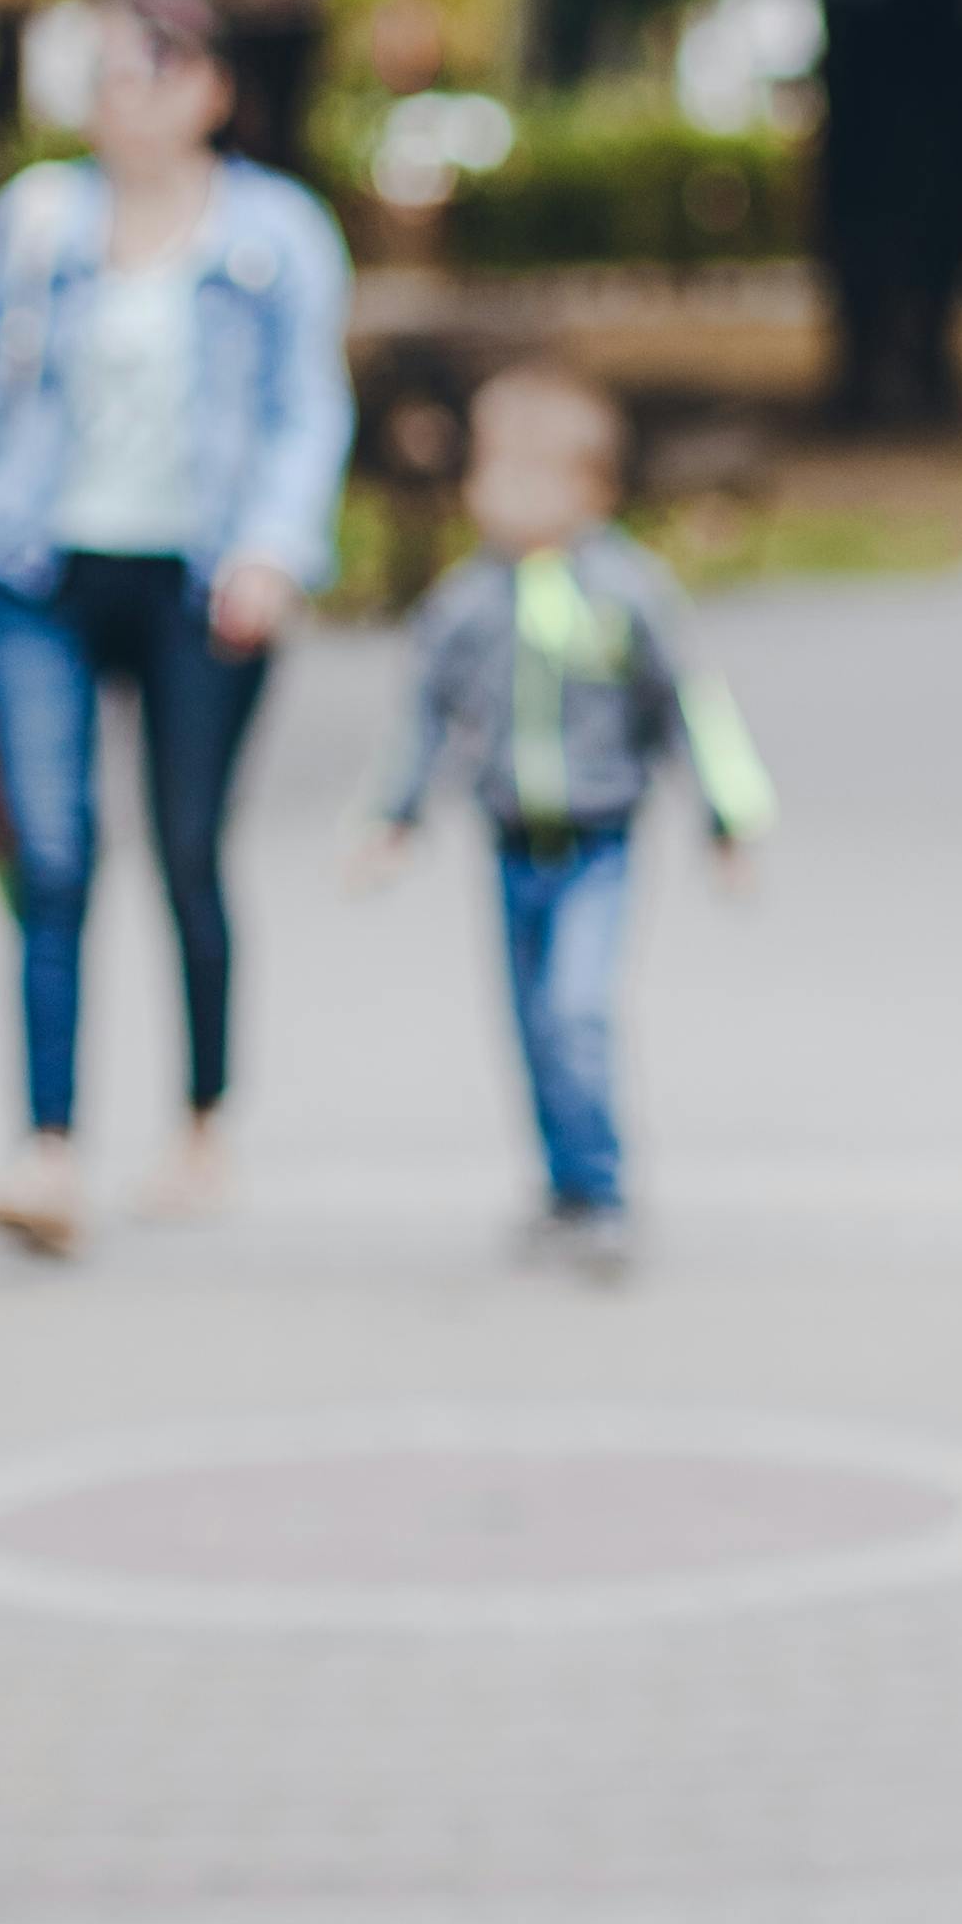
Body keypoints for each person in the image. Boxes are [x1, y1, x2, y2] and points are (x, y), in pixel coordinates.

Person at [0, 0, 355, 1256]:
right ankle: (46, 1147)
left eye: (144, 72)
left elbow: (306, 411)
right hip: (37, 569)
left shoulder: (277, 235)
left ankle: (203, 1121)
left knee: (188, 850)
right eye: (100, 74)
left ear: (209, 89)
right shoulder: (37, 221)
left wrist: (275, 549)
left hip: (203, 581)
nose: (119, 98)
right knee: (49, 853)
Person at [355, 363, 776, 1279]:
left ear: (593, 489)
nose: (498, 494)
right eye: (490, 471)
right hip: (510, 844)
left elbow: (687, 708)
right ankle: (561, 1186)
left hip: (599, 842)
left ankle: (605, 1193)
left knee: (577, 1008)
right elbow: (426, 716)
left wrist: (728, 818)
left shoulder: (627, 593)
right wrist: (396, 819)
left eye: (527, 475)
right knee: (531, 1024)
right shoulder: (467, 602)